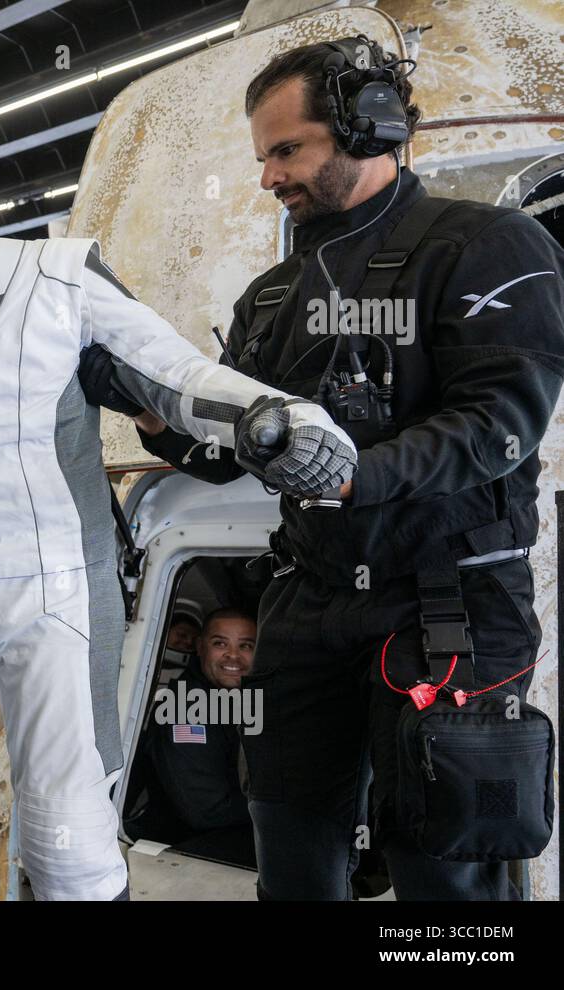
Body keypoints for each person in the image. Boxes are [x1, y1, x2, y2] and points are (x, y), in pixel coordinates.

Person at [0, 93, 358, 901]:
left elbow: (174, 373)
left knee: (70, 844)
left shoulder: (54, 276)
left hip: (54, 597)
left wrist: (275, 418)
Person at [117, 36, 564, 899]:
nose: (269, 177)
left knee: (447, 876)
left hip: (448, 606)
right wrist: (148, 410)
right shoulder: (272, 298)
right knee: (289, 853)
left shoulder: (486, 247)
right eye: (263, 156)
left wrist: (351, 474)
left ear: (370, 128)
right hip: (308, 603)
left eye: (287, 150)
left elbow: (498, 426)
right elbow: (232, 459)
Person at [147, 609, 254, 834]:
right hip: (181, 848)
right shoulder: (184, 709)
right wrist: (284, 806)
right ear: (200, 647)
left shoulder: (236, 701)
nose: (233, 656)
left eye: (246, 646)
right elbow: (207, 811)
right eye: (220, 644)